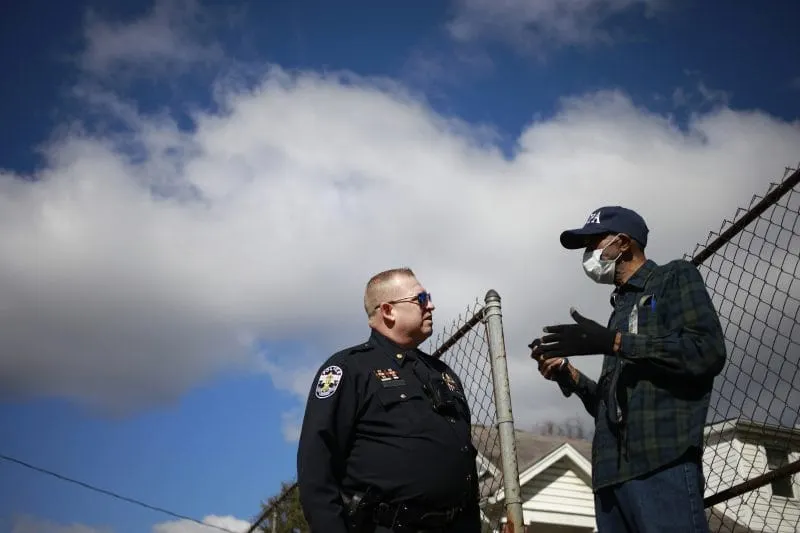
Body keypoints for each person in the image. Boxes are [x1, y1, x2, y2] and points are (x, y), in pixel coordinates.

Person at [529, 206, 727, 533]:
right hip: (610, 477)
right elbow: (610, 407)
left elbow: (706, 352)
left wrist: (617, 342)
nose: (588, 254)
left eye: (593, 243)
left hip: (661, 462)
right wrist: (570, 375)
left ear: (622, 243)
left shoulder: (673, 278)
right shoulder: (617, 310)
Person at [296, 267, 482, 533]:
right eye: (420, 299)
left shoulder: (442, 373)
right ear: (388, 311)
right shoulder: (349, 369)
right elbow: (317, 466)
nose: (431, 305)